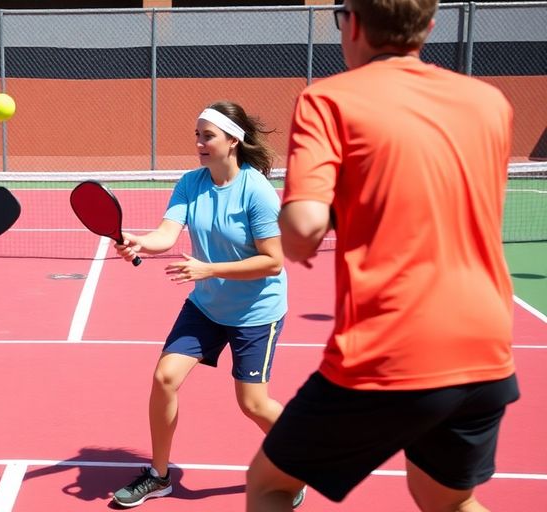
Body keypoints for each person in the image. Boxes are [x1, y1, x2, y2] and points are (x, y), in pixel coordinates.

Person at [245, 1, 520, 510]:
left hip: (391, 346)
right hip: (486, 346)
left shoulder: (327, 99)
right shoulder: (490, 102)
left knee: (269, 484)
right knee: (448, 501)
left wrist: (323, 208)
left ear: (353, 22)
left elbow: (303, 228)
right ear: (429, 26)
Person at [110, 101, 303, 508]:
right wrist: (139, 241)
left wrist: (210, 269)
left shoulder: (257, 193)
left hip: (256, 312)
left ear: (233, 140)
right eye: (197, 134)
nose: (198, 142)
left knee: (252, 403)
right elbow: (166, 234)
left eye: (207, 135)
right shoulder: (190, 183)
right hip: (208, 305)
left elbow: (272, 262)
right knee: (165, 378)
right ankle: (159, 476)